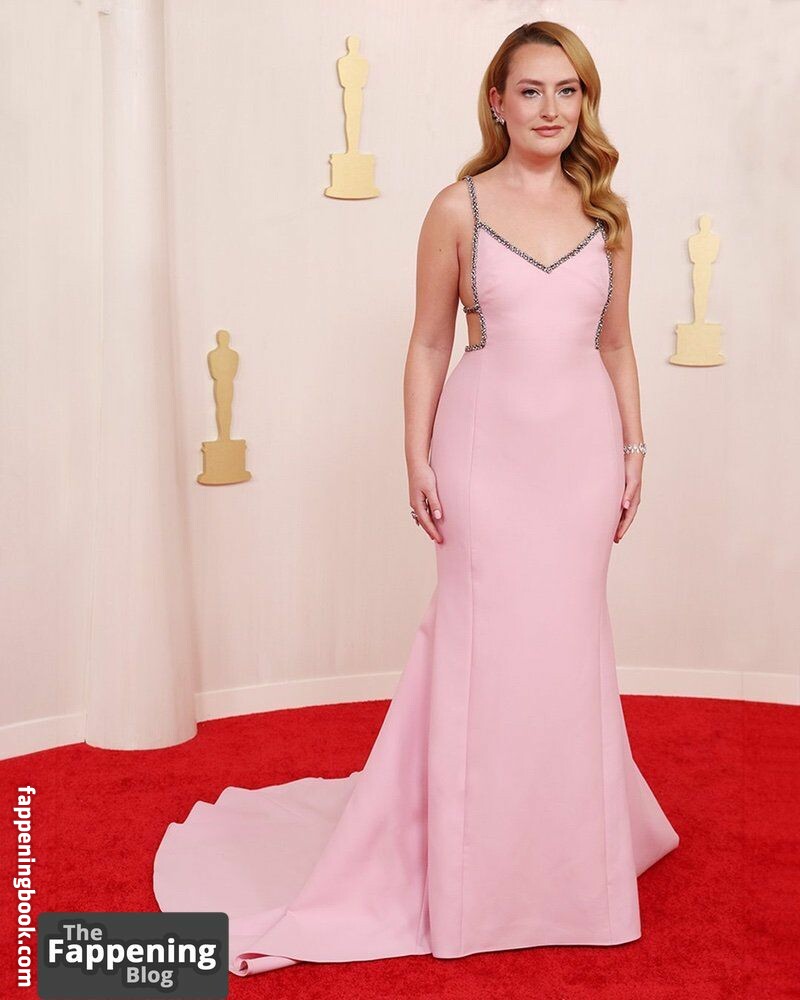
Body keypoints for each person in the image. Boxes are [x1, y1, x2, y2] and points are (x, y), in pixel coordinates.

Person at [153, 20, 680, 977]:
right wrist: (416, 455)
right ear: (497, 102)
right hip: (484, 456)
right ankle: (471, 877)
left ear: (585, 103)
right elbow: (431, 340)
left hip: (582, 460)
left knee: (566, 651)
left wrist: (636, 448)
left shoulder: (610, 215)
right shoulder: (456, 208)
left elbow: (616, 344)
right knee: (485, 649)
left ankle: (571, 869)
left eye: (568, 91)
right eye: (531, 91)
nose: (551, 109)